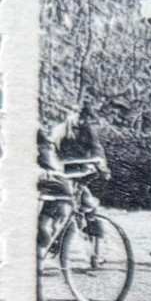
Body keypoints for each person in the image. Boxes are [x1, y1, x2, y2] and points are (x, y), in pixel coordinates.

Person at [38, 102, 108, 250]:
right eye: (80, 118)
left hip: (79, 173)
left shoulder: (88, 131)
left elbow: (97, 150)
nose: (84, 123)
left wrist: (101, 165)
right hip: (60, 172)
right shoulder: (59, 131)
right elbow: (52, 156)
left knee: (89, 204)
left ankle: (92, 237)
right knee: (63, 208)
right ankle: (55, 239)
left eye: (87, 120)